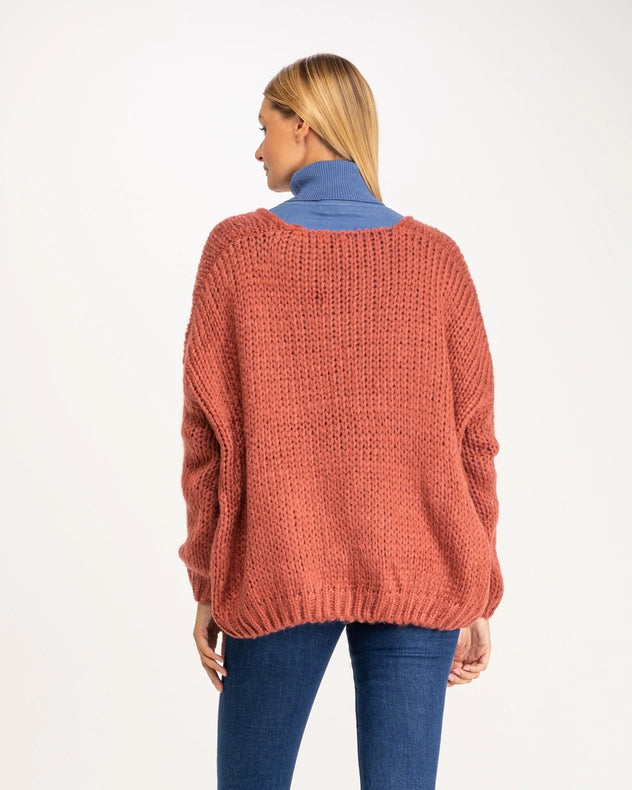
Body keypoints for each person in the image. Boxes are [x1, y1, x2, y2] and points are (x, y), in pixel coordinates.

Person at [178, 53, 503, 790]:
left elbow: (206, 441)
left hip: (277, 565)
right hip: (421, 568)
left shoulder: (236, 252)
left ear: (303, 124)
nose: (258, 149)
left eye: (265, 127)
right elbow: (474, 442)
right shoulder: (436, 260)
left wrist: (207, 580)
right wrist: (476, 582)